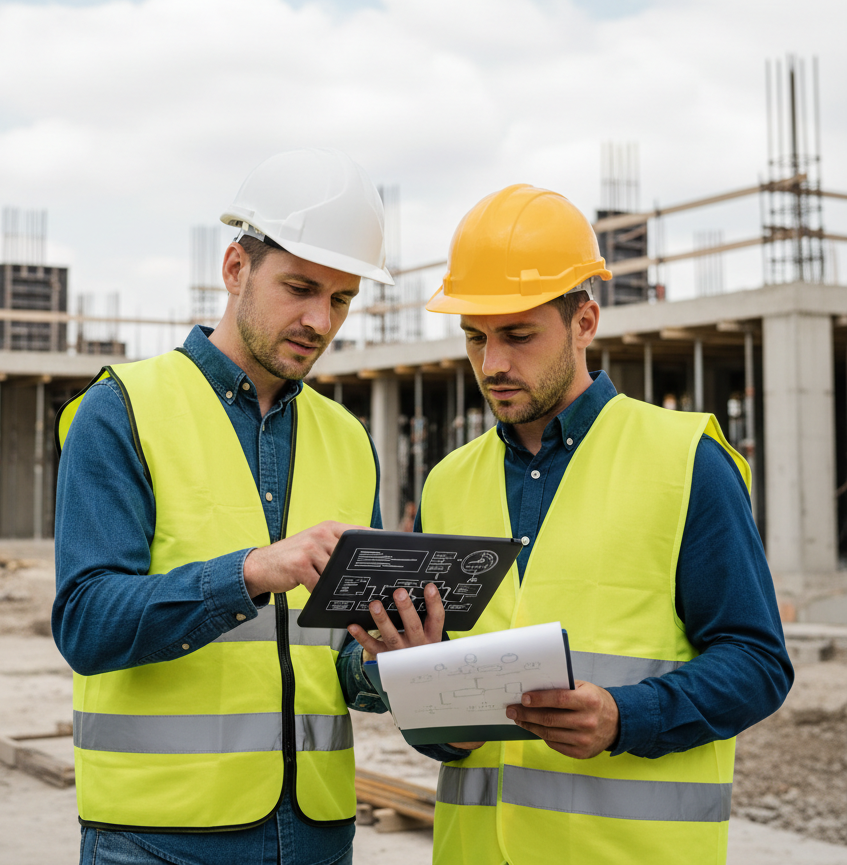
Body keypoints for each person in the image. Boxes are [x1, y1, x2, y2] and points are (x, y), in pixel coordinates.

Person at [350, 184, 793, 865]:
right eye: (475, 337)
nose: (493, 365)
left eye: (518, 335)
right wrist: (433, 708)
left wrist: (626, 717)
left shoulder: (685, 462)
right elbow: (440, 717)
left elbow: (758, 662)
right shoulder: (447, 482)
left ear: (584, 322)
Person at [53, 149, 411, 865]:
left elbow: (337, 662)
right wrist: (250, 572)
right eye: (299, 288)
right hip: (157, 838)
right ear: (235, 268)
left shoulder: (349, 440)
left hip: (315, 834)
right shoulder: (122, 409)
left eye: (341, 300)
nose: (319, 320)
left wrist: (393, 659)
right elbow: (87, 623)